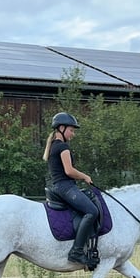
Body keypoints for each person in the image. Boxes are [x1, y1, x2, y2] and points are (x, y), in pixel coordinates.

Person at [43, 112, 99, 266]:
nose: (73, 134)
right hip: (65, 187)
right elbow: (69, 171)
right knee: (92, 211)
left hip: (61, 186)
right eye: (71, 130)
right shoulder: (62, 147)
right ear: (61, 128)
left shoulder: (54, 145)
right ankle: (76, 251)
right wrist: (85, 176)